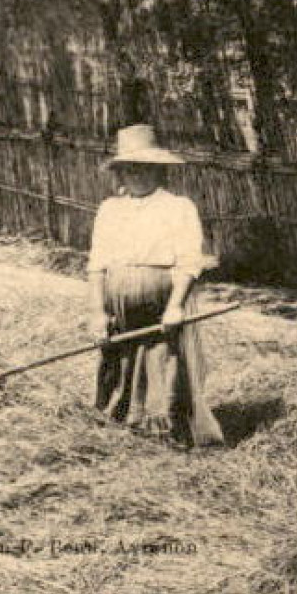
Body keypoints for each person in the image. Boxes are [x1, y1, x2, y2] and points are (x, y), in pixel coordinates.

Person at [86, 124, 224, 448]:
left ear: (159, 170)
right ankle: (122, 423)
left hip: (160, 302)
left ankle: (164, 428)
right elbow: (97, 264)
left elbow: (189, 262)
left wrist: (175, 305)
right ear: (119, 172)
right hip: (118, 305)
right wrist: (96, 311)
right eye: (130, 168)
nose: (138, 175)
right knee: (119, 361)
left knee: (162, 360)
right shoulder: (109, 210)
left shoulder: (178, 207)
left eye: (145, 168)